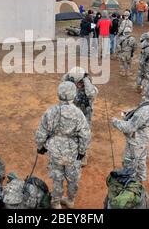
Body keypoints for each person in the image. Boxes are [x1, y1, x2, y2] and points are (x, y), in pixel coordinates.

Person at [35, 81, 91, 209]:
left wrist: (41, 146)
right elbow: (85, 135)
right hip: (73, 153)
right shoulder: (78, 113)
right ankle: (70, 201)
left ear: (58, 94)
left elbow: (41, 132)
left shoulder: (51, 112)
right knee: (73, 180)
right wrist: (82, 151)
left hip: (55, 152)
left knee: (57, 179)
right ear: (73, 94)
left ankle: (56, 203)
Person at [111, 82, 149, 181]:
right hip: (144, 139)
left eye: (146, 88)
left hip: (136, 142)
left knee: (129, 164)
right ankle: (141, 180)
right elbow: (141, 111)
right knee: (141, 161)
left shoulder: (145, 111)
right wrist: (131, 112)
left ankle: (130, 186)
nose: (143, 88)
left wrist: (115, 122)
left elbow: (130, 127)